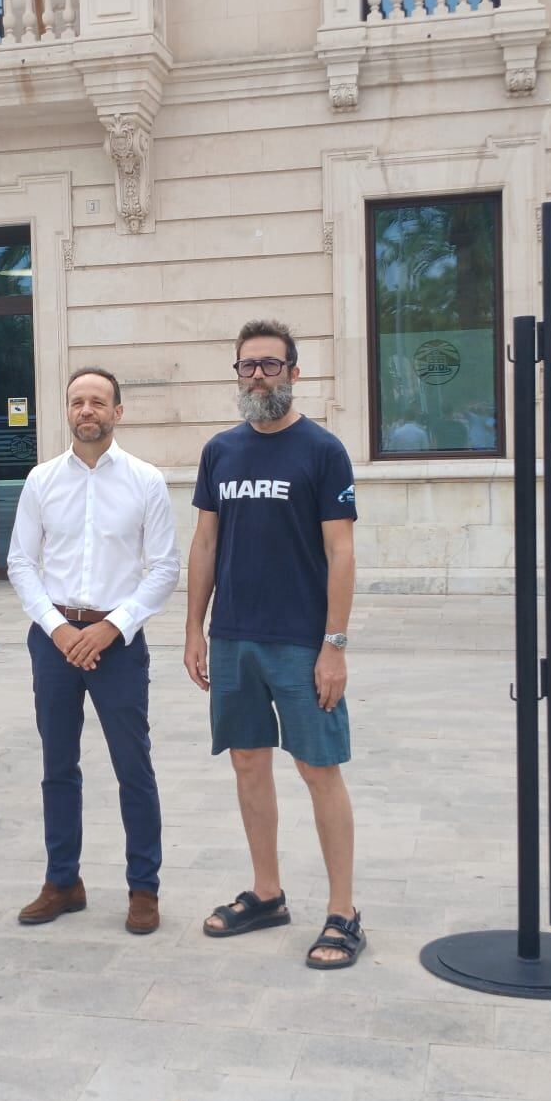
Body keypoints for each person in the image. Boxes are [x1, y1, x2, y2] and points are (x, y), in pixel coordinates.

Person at [184, 319, 364, 969]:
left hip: (300, 642)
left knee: (318, 769)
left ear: (294, 370)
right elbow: (205, 543)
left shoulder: (322, 451)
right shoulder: (221, 453)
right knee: (248, 763)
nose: (258, 375)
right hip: (234, 638)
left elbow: (340, 551)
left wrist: (333, 644)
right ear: (237, 374)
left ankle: (343, 912)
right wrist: (193, 629)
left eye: (270, 364)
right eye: (247, 366)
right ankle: (267, 893)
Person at [6, 367, 181, 934]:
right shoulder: (40, 481)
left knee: (134, 767)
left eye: (99, 402)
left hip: (118, 642)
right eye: (78, 401)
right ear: (67, 410)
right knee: (58, 766)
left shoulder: (145, 481)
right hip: (54, 640)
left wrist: (113, 628)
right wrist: (59, 630)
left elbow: (163, 568)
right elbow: (21, 564)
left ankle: (143, 888)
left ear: (117, 412)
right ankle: (63, 881)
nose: (88, 410)